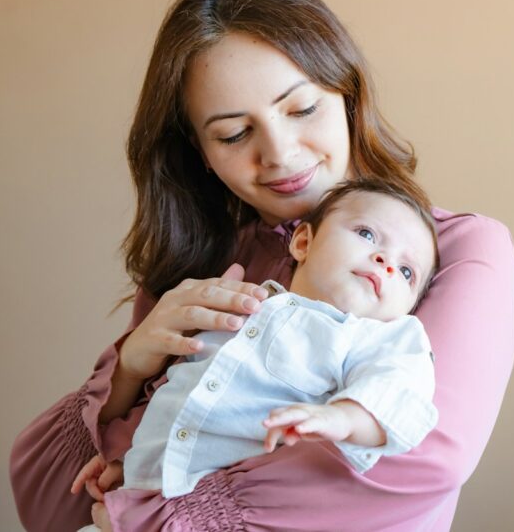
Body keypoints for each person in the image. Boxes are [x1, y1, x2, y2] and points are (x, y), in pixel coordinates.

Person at [9, 0, 514, 532]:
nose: (278, 153)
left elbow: (420, 457)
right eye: (233, 133)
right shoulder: (198, 270)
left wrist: (160, 518)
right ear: (200, 151)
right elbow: (53, 510)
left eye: (302, 109)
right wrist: (131, 364)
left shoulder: (459, 249)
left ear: (346, 97)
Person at [71, 179, 440, 517]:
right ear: (303, 243)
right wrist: (129, 460)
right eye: (366, 233)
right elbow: (177, 392)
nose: (386, 263)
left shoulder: (377, 339)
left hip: (223, 515)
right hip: (143, 495)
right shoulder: (243, 303)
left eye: (407, 271)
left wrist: (343, 418)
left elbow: (402, 391)